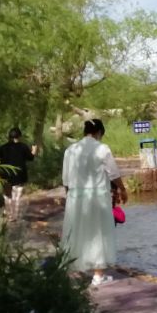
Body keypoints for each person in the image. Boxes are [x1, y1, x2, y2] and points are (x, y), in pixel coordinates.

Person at [61, 119, 127, 287]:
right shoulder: (102, 148)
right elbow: (113, 173)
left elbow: (66, 179)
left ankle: (78, 269)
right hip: (97, 196)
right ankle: (98, 275)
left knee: (78, 232)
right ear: (99, 133)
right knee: (98, 232)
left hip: (76, 197)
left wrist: (70, 197)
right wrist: (122, 189)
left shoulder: (71, 150)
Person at [0, 127, 36, 218]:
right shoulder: (23, 147)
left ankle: (9, 213)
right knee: (16, 196)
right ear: (19, 136)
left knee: (7, 195)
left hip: (5, 175)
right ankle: (14, 215)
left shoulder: (2, 148)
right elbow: (31, 158)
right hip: (19, 175)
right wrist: (34, 151)